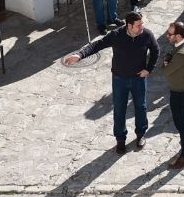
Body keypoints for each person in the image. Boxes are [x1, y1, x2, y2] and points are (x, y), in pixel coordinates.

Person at [62, 11, 160, 154]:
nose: (142, 27)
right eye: (139, 25)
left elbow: (156, 50)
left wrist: (148, 69)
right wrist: (80, 54)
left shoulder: (147, 35)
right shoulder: (116, 35)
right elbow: (97, 45)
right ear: (129, 25)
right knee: (119, 109)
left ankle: (140, 134)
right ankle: (120, 140)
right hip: (119, 79)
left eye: (142, 24)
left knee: (141, 107)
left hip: (138, 79)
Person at [163, 22, 184, 169]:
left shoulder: (181, 54)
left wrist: (165, 62)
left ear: (178, 36)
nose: (167, 36)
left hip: (179, 91)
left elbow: (165, 71)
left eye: (170, 34)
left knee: (181, 124)